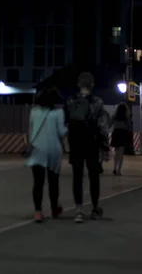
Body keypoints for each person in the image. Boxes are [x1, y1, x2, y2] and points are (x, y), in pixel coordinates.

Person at [64, 72, 110, 223]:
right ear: (92, 85)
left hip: (76, 143)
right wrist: (105, 147)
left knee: (77, 177)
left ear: (78, 84)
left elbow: (65, 124)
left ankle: (78, 211)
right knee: (93, 176)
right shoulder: (97, 102)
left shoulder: (70, 101)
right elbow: (103, 126)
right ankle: (95, 208)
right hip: (92, 143)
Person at [26, 88, 68, 223]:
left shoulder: (34, 112)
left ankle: (38, 212)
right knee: (53, 182)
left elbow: (31, 131)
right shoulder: (58, 113)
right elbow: (61, 132)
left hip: (38, 149)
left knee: (38, 183)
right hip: (53, 151)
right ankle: (54, 209)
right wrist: (69, 127)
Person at [111, 102, 131, 175]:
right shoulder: (126, 116)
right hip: (123, 133)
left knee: (116, 152)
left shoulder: (114, 116)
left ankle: (114, 168)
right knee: (121, 153)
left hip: (116, 132)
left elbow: (110, 123)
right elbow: (129, 126)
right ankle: (119, 170)